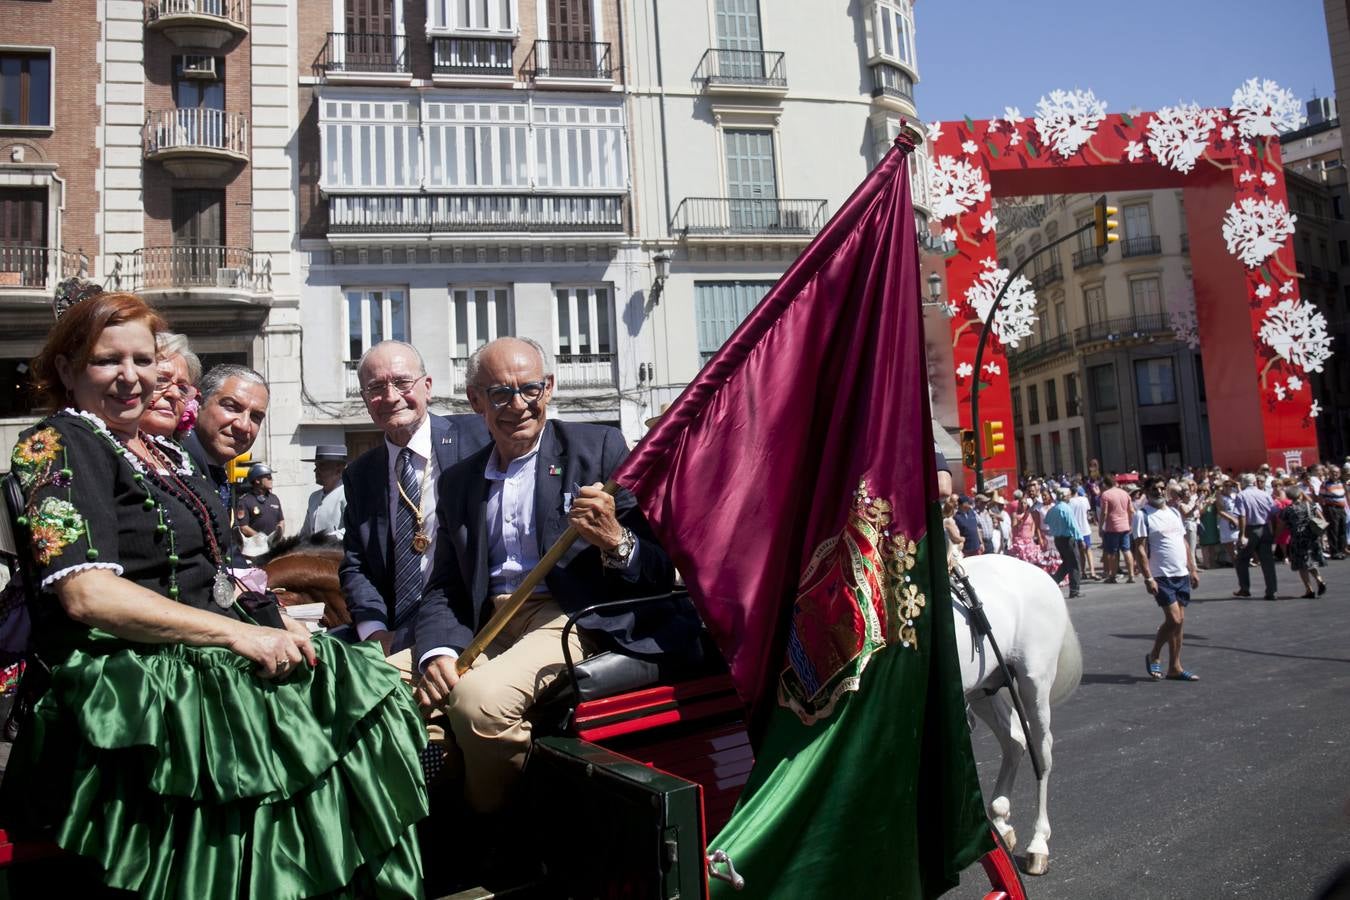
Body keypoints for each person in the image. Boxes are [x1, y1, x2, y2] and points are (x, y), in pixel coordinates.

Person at [2, 290, 426, 897]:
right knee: (339, 712)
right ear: (67, 370)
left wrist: (277, 623)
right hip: (130, 672)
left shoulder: (158, 451)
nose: (131, 378)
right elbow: (88, 595)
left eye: (143, 361)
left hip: (196, 651)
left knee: (362, 680)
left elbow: (224, 570)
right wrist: (238, 633)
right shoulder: (57, 444)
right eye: (107, 361)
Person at [410, 337, 691, 816]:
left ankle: (496, 843)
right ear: (475, 400)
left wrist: (614, 539)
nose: (518, 405)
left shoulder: (598, 450)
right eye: (500, 394)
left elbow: (658, 569)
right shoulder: (458, 480)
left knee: (480, 705)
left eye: (530, 390)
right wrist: (436, 651)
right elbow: (445, 586)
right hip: (487, 625)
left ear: (550, 389)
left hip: (568, 619)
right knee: (381, 687)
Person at [339, 340, 490, 655]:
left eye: (402, 383)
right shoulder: (360, 474)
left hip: (473, 624)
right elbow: (357, 565)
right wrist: (374, 631)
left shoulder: (479, 438)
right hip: (392, 633)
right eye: (376, 388)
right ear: (365, 399)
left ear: (427, 387)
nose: (391, 397)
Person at [1133, 477, 1201, 682]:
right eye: (1155, 489)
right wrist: (1148, 578)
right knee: (1174, 619)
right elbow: (1140, 548)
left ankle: (1175, 667)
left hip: (1181, 573)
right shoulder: (1142, 515)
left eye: (1162, 488)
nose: (1160, 492)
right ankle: (1154, 654)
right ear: (1147, 491)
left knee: (1179, 624)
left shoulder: (1173, 512)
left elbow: (1184, 542)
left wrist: (1193, 568)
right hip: (1161, 575)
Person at [142, 332, 200, 441]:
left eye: (182, 388)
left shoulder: (177, 455)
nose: (175, 394)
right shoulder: (102, 450)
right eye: (161, 380)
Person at [1233, 472, 1279, 601]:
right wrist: (1273, 531)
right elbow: (1274, 512)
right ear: (1254, 482)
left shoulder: (1242, 495)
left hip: (1251, 529)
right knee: (1267, 561)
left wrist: (1242, 535)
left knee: (1242, 559)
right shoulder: (1265, 494)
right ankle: (1271, 591)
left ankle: (1245, 588)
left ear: (1243, 483)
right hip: (1264, 528)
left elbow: (1242, 516)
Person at [1276, 485, 1328, 597]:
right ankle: (1319, 580)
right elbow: (1322, 520)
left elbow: (1281, 526)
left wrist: (1275, 537)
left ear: (1289, 497)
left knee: (1302, 565)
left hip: (1298, 539)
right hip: (1312, 537)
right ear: (1300, 494)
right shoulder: (1311, 506)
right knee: (1311, 561)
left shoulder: (1287, 510)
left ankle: (1309, 589)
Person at [300, 444, 348, 539]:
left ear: (338, 470)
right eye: (316, 466)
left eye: (321, 466)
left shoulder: (347, 495)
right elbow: (305, 532)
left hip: (338, 552)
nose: (315, 470)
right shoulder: (313, 497)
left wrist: (333, 537)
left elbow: (353, 529)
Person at [235, 462, 285, 555]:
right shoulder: (245, 500)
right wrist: (262, 538)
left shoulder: (274, 498)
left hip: (274, 547)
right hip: (255, 550)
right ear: (257, 480)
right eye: (268, 477)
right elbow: (243, 527)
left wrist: (279, 535)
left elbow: (281, 521)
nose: (271, 480)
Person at [1044, 488, 1082, 598]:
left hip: (1058, 539)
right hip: (1067, 539)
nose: (1070, 497)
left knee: (1066, 563)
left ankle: (1053, 581)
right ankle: (1074, 590)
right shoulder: (1066, 509)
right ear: (1065, 497)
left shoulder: (1053, 509)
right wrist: (1080, 539)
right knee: (1074, 564)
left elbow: (1046, 520)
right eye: (1069, 495)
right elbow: (1073, 526)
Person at [1098, 474, 1135, 584]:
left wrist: (1100, 526)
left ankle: (1112, 576)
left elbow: (1104, 513)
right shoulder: (1124, 493)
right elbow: (1131, 510)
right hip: (1125, 526)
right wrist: (1130, 523)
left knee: (1112, 552)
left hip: (1112, 526)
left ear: (1105, 484)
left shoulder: (1105, 495)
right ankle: (1131, 575)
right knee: (1126, 550)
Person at [1319, 470, 1347, 560]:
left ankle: (1342, 550)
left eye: (1337, 472)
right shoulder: (1325, 484)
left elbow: (1345, 495)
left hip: (1342, 508)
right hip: (1332, 508)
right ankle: (1335, 552)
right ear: (1329, 473)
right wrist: (1324, 508)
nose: (1335, 474)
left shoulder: (1341, 483)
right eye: (1333, 472)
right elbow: (1320, 496)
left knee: (1342, 529)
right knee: (1333, 530)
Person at [1069, 484, 1096, 580]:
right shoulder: (1084, 500)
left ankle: (1083, 571)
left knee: (1080, 552)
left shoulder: (1069, 502)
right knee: (1088, 550)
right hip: (1085, 528)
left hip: (1075, 530)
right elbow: (1088, 512)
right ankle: (1092, 571)